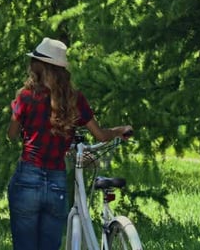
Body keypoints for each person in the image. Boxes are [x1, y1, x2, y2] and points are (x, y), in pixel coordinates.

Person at [7, 37, 133, 250]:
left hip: (27, 176)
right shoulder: (75, 99)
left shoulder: (26, 96)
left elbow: (11, 133)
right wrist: (120, 130)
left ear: (37, 66)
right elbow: (101, 135)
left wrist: (20, 118)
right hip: (56, 181)